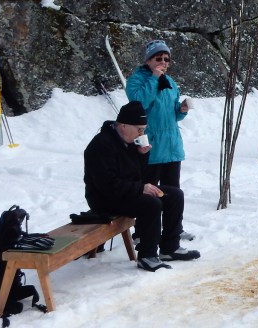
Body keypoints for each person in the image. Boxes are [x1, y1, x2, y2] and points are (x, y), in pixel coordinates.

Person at [83, 101, 200, 272]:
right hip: (104, 198)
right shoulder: (102, 144)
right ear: (123, 125)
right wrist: (141, 188)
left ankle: (170, 248)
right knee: (151, 203)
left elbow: (139, 176)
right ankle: (147, 256)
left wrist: (142, 156)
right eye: (139, 129)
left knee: (174, 194)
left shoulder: (129, 142)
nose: (142, 133)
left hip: (126, 192)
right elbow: (107, 184)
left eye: (143, 129)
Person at [126, 39, 195, 241]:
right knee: (149, 192)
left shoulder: (170, 82)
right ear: (148, 60)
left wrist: (181, 110)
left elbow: (173, 113)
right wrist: (155, 77)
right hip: (150, 145)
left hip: (172, 144)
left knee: (173, 192)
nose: (163, 62)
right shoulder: (137, 80)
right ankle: (142, 232)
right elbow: (139, 103)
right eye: (159, 58)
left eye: (167, 59)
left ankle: (174, 229)